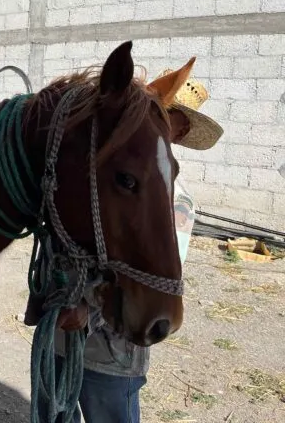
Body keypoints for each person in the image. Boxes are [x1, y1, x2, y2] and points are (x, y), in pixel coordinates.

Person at [50, 70, 224, 423]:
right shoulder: (110, 176)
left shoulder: (176, 202)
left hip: (111, 353)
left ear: (181, 131)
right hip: (62, 339)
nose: (153, 123)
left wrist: (89, 312)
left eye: (166, 118)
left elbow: (156, 278)